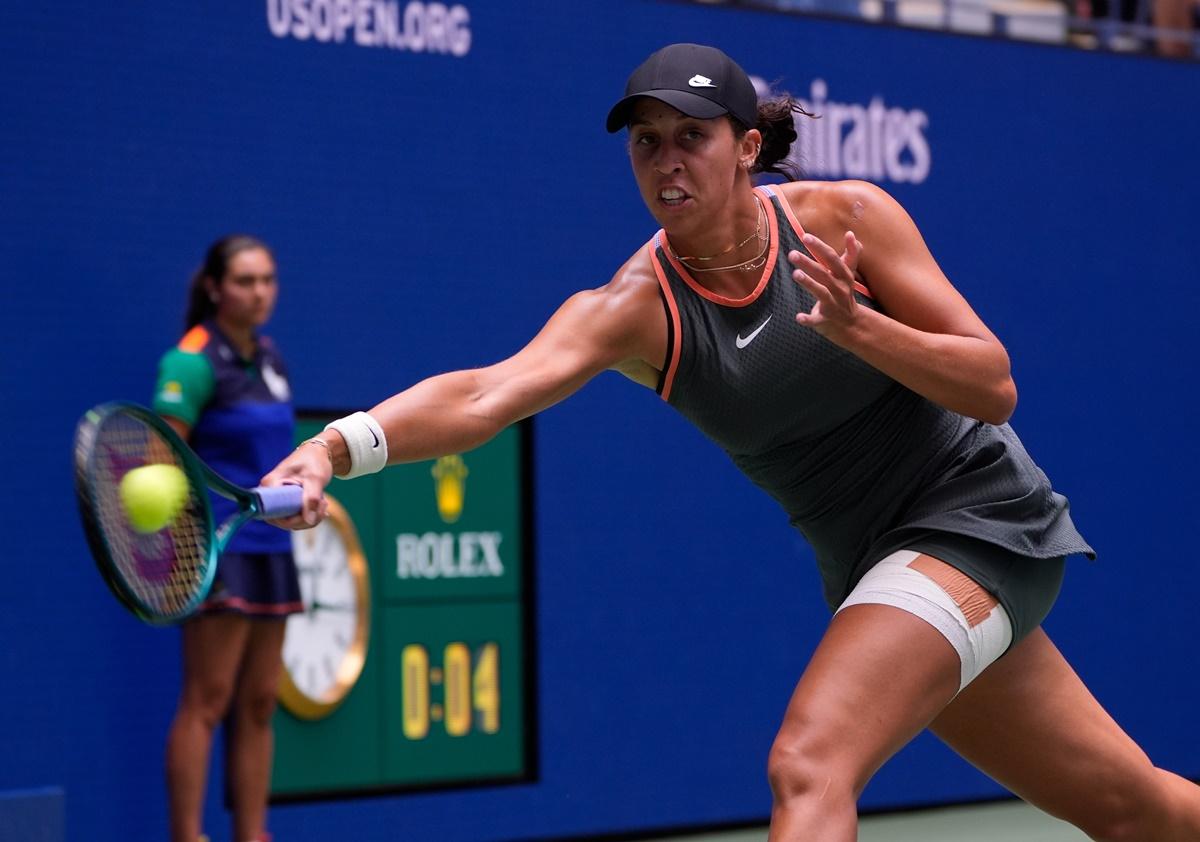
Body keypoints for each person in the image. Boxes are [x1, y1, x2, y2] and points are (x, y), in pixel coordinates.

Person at [262, 44, 1200, 840]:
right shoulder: (634, 309)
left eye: (692, 138)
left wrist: (862, 328)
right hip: (879, 566)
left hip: (979, 514)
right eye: (646, 144)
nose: (667, 162)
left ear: (748, 148)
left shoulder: (848, 221)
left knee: (807, 761)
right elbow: (485, 395)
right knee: (1132, 811)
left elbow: (993, 384)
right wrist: (334, 450)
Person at [155, 235, 300, 842]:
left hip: (272, 546)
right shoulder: (190, 361)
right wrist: (185, 547)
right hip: (219, 549)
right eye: (245, 281)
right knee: (207, 699)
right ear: (215, 287)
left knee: (261, 701)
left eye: (267, 279)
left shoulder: (270, 358)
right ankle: (189, 836)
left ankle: (253, 834)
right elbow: (161, 462)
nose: (259, 292)